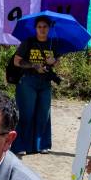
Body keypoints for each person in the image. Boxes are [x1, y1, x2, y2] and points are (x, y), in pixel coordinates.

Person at [11, 17, 61, 156]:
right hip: (28, 82)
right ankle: (19, 145)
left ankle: (41, 145)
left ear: (49, 28)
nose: (42, 29)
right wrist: (34, 66)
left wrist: (54, 61)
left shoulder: (53, 43)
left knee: (44, 114)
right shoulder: (28, 42)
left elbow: (57, 61)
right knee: (26, 114)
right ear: (35, 28)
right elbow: (17, 61)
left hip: (45, 82)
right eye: (39, 27)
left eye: (45, 26)